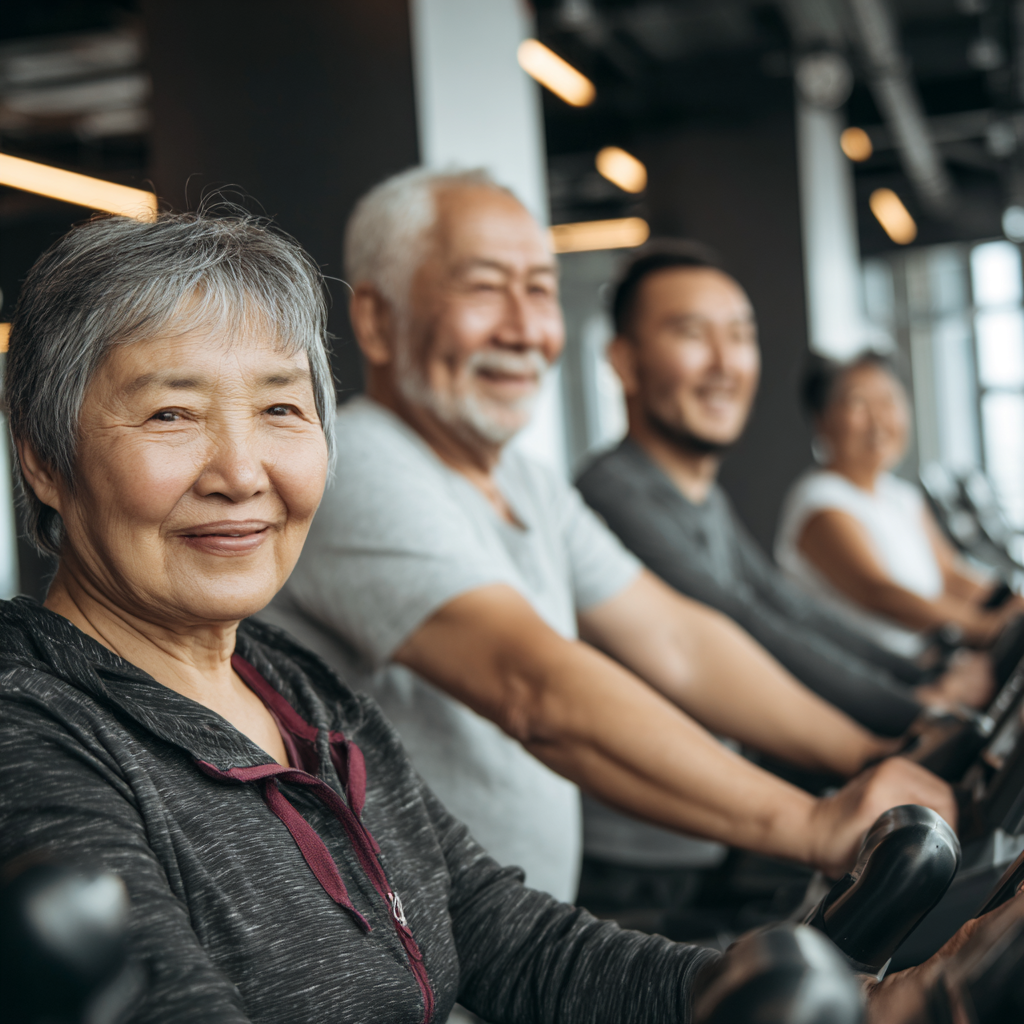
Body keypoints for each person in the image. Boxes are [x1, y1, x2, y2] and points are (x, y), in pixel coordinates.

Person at [0, 205, 981, 1024]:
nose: (241, 472)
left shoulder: (292, 685)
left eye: (281, 410)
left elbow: (497, 929)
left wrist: (844, 998)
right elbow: (535, 686)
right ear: (44, 455)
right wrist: (816, 815)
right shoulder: (33, 734)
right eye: (171, 414)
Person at [264, 166, 951, 908]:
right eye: (485, 287)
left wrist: (875, 755)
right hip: (412, 962)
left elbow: (678, 640)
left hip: (524, 944)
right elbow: (532, 688)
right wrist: (815, 824)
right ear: (376, 321)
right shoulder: (359, 465)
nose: (525, 328)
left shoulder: (527, 481)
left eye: (538, 290)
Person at [572, 244, 993, 917]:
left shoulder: (700, 497)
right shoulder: (612, 492)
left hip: (714, 831)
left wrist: (921, 684)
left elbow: (779, 599)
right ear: (622, 360)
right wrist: (916, 713)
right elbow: (738, 616)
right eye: (690, 334)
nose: (723, 362)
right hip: (639, 865)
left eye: (739, 336)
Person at [775, 352, 1020, 659]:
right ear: (821, 420)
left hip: (933, 662)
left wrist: (1009, 599)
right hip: (875, 683)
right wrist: (984, 628)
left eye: (888, 400)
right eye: (858, 403)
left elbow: (950, 575)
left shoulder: (901, 496)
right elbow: (880, 593)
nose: (877, 419)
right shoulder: (818, 502)